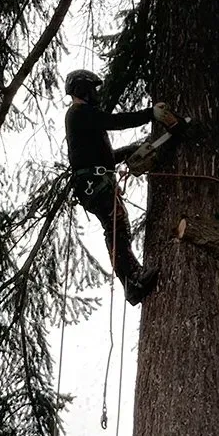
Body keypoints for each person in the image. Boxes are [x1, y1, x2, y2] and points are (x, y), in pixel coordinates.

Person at [64, 69, 159, 306]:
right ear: (82, 90)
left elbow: (105, 158)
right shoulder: (79, 113)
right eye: (92, 88)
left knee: (117, 226)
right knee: (117, 226)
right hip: (93, 184)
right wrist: (151, 114)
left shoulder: (83, 118)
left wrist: (131, 151)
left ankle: (132, 279)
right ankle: (132, 280)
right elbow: (116, 121)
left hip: (93, 183)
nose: (96, 93)